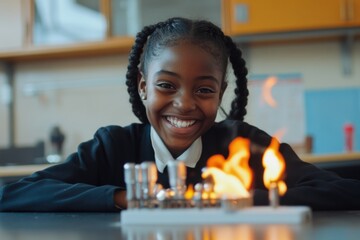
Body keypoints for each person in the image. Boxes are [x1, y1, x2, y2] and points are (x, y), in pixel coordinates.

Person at [0, 17, 359, 212]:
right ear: (143, 87)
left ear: (220, 92)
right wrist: (124, 198)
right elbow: (15, 194)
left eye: (204, 90)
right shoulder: (112, 146)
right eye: (167, 86)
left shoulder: (244, 144)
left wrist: (237, 199)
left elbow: (345, 191)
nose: (185, 104)